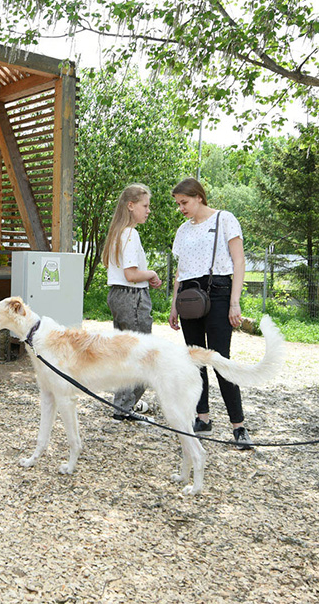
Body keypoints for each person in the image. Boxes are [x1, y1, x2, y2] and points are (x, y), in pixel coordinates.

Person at [168, 177, 252, 450]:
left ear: (199, 197)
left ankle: (238, 426)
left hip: (218, 291)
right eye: (178, 204)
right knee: (195, 360)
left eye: (185, 202)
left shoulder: (224, 219)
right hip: (189, 297)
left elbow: (239, 262)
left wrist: (234, 302)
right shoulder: (182, 230)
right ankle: (202, 418)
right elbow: (181, 272)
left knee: (220, 360)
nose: (181, 208)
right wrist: (173, 305)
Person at [101, 184, 162, 421]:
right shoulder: (130, 234)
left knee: (126, 353)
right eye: (145, 206)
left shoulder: (118, 232)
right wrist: (152, 273)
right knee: (141, 354)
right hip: (132, 297)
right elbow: (131, 274)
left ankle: (124, 404)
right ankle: (124, 407)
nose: (148, 211)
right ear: (131, 205)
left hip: (119, 296)